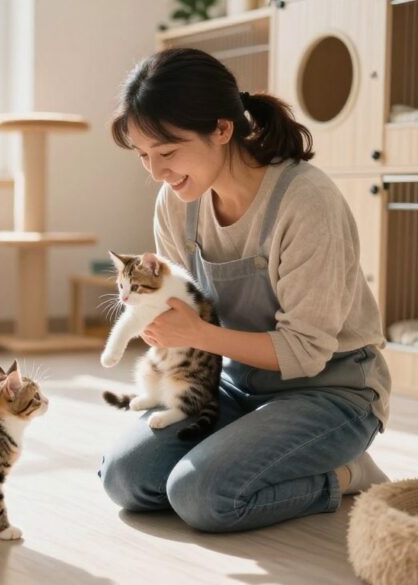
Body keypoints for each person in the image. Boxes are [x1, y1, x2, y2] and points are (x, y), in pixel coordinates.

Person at [98, 48, 390, 532]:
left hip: (331, 391)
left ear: (222, 129)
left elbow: (308, 351)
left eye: (167, 153)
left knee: (201, 497)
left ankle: (346, 475)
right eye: (143, 155)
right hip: (232, 381)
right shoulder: (176, 204)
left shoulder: (306, 201)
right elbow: (179, 310)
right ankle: (243, 448)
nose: (156, 172)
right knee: (125, 480)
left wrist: (195, 333)